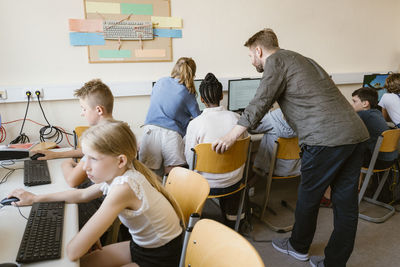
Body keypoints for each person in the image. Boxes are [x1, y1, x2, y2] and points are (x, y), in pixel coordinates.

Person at [212, 28, 369, 267]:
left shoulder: (275, 61)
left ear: (258, 50)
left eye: (250, 56)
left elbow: (262, 100)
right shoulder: (305, 60)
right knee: (346, 204)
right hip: (355, 133)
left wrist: (232, 134)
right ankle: (335, 263)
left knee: (308, 197)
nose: (252, 61)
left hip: (325, 139)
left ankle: (298, 247)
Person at [8, 120, 183, 267]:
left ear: (121, 160)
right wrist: (35, 198)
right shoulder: (120, 175)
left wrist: (87, 236)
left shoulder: (124, 187)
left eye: (93, 158)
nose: (85, 166)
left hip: (161, 257)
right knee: (83, 263)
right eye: (85, 158)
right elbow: (81, 195)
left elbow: (73, 250)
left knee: (75, 260)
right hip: (142, 246)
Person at [184, 73, 246, 228]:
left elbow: (189, 159)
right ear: (221, 96)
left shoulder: (196, 124)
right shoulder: (237, 119)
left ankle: (195, 222)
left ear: (202, 100)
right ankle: (234, 219)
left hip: (207, 185)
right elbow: (245, 147)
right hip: (234, 181)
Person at [35, 79, 115, 188]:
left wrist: (66, 164)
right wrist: (57, 154)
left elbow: (72, 181)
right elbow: (87, 152)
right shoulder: (116, 129)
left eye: (84, 109)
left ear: (99, 110)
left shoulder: (101, 137)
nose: (82, 114)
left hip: (100, 197)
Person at [140, 57, 200, 176]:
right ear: (192, 74)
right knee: (173, 177)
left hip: (150, 132)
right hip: (171, 136)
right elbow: (198, 118)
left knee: (150, 177)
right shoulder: (188, 91)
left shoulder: (160, 82)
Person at [249, 108, 300, 184]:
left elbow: (251, 128)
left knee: (250, 154)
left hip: (274, 167)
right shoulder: (306, 117)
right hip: (297, 167)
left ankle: (249, 185)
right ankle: (256, 178)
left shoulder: (273, 117)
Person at [352, 87, 398, 169]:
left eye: (354, 101)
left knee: (346, 155)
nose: (352, 105)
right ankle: (362, 182)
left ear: (365, 103)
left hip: (377, 160)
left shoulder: (363, 115)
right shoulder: (377, 112)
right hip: (391, 159)